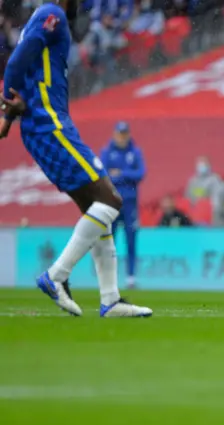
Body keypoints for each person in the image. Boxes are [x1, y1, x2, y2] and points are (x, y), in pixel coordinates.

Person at [0, 0, 151, 317]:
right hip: (49, 126)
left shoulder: (40, 20)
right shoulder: (51, 14)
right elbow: (15, 62)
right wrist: (5, 108)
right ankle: (56, 275)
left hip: (45, 125)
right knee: (110, 200)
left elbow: (25, 68)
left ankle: (110, 299)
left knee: (96, 207)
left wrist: (11, 113)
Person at [101, 121, 146, 290]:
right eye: (120, 134)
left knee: (131, 239)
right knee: (109, 241)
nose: (122, 137)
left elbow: (141, 173)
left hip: (130, 204)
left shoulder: (135, 152)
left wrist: (120, 174)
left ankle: (131, 277)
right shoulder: (107, 152)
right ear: (114, 134)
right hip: (112, 203)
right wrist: (127, 177)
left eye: (125, 133)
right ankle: (107, 276)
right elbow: (104, 175)